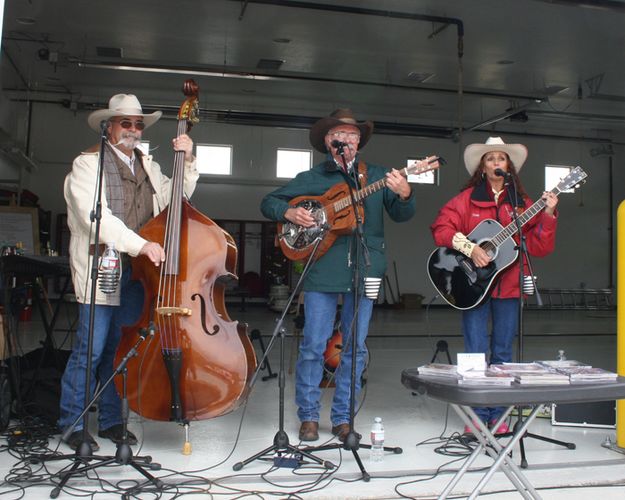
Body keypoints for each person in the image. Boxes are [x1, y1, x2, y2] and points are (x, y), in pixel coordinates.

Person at [261, 108, 424, 442]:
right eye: (340, 135)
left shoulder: (376, 175)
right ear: (327, 141)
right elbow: (269, 202)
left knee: (355, 349)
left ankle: (343, 418)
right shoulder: (312, 177)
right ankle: (307, 416)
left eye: (353, 136)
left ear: (359, 142)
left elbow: (401, 214)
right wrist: (288, 210)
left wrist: (406, 193)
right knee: (313, 345)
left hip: (365, 269)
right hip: (321, 269)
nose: (347, 140)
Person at [59, 94, 199, 450]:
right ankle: (72, 423)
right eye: (126, 123)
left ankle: (111, 421)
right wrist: (141, 245)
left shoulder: (148, 165)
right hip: (100, 267)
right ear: (109, 127)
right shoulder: (87, 165)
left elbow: (174, 200)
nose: (133, 130)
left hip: (137, 274)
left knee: (120, 350)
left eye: (138, 124)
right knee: (90, 349)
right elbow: (99, 221)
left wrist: (188, 159)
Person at [430, 136, 558, 434]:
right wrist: (470, 248)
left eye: (501, 158)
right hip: (472, 286)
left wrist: (548, 214)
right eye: (490, 159)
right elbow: (441, 228)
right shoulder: (466, 200)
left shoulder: (522, 205)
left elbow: (539, 248)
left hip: (509, 286)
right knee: (476, 352)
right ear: (482, 167)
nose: (497, 163)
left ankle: (498, 418)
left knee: (502, 352)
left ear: (508, 166)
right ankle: (476, 417)